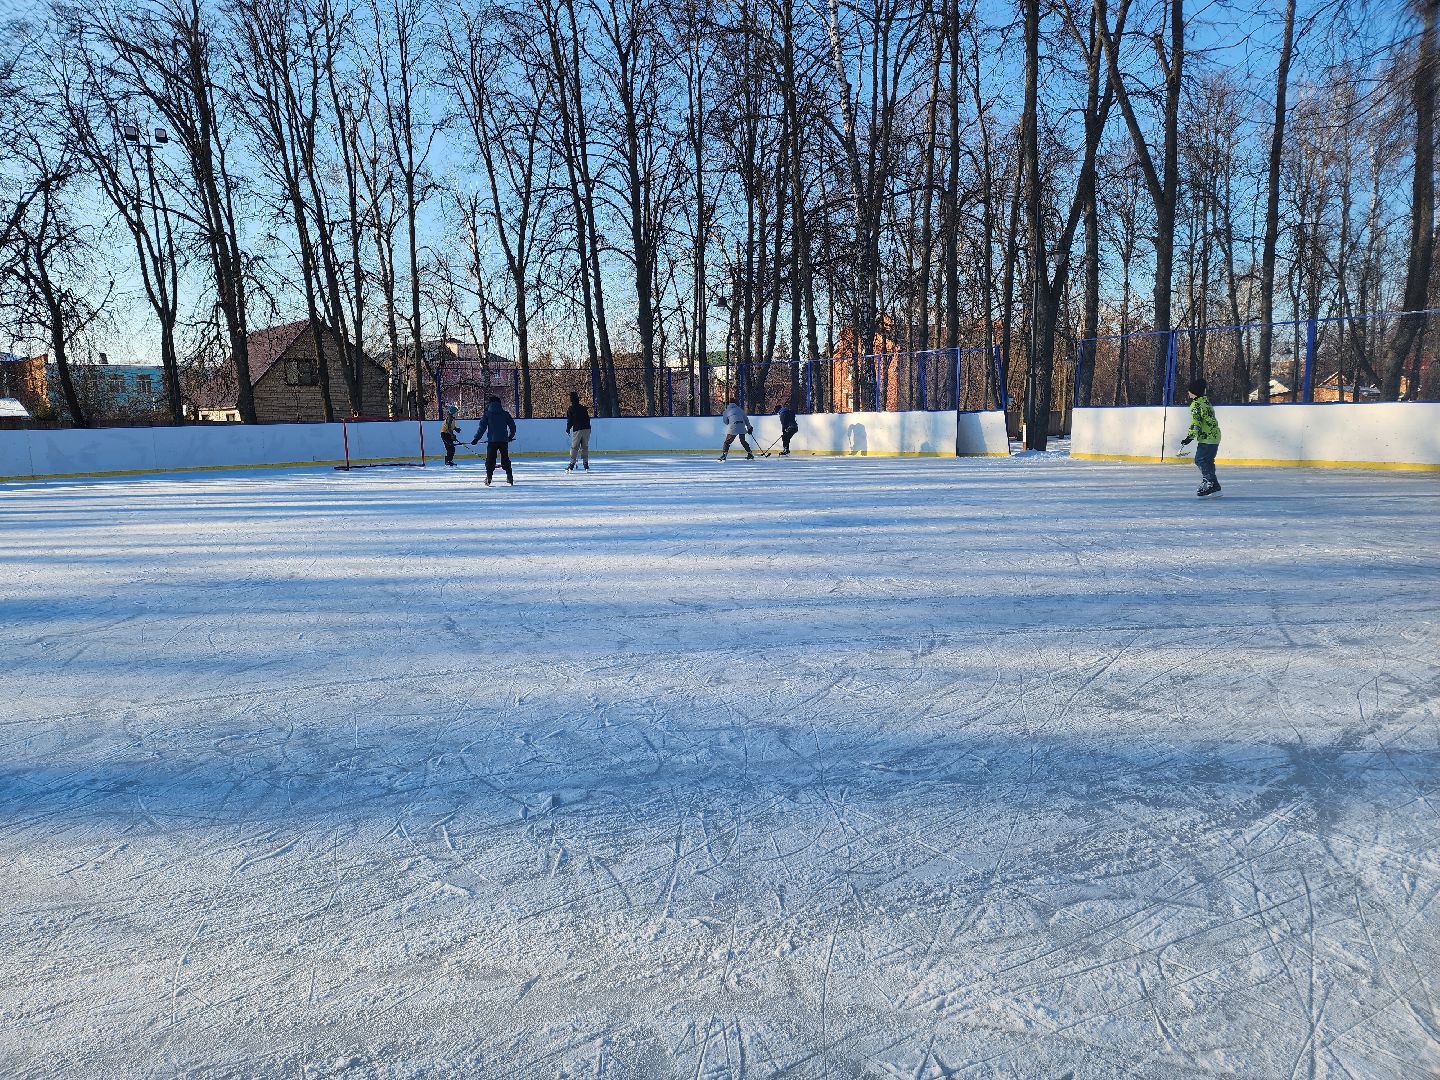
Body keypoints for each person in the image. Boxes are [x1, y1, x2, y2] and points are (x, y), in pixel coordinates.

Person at [1179, 378, 1222, 497]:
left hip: (1207, 438)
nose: (1188, 393)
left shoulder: (1196, 405)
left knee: (1200, 460)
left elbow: (1196, 422)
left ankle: (1210, 482)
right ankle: (1214, 485)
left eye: (1190, 391)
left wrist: (1190, 437)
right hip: (1215, 436)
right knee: (1208, 461)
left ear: (1194, 392)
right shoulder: (1206, 402)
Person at [470, 395, 517, 486]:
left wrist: (476, 439)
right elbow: (513, 427)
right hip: (504, 441)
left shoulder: (487, 414)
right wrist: (510, 437)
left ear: (490, 404)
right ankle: (510, 477)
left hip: (492, 441)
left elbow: (482, 428)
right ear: (499, 404)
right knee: (505, 459)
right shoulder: (505, 414)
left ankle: (489, 477)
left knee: (490, 460)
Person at [565, 391, 592, 472]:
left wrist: (568, 428)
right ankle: (585, 464)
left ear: (571, 400)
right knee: (585, 447)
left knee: (574, 447)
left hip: (578, 429)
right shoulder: (583, 408)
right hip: (587, 428)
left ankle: (571, 465)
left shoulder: (571, 409)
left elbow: (570, 420)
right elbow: (588, 419)